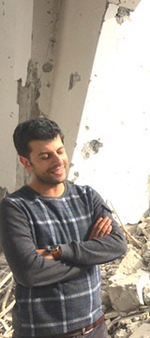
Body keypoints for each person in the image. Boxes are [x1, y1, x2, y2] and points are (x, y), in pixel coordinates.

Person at [0, 117, 128, 337]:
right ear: (26, 163)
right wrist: (91, 255)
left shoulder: (87, 196)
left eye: (60, 151)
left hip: (95, 329)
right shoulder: (15, 208)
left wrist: (60, 252)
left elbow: (117, 244)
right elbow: (29, 272)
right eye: (45, 156)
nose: (58, 161)